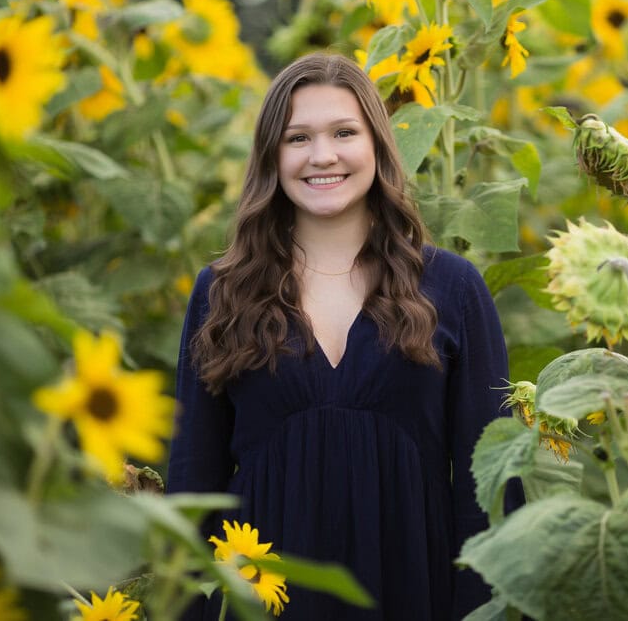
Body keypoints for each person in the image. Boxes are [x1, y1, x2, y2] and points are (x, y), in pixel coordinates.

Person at [167, 52, 519, 621]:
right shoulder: (221, 293)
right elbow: (192, 482)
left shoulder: (452, 288)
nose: (322, 155)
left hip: (414, 592)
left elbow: (492, 486)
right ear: (271, 157)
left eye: (344, 132)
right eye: (297, 138)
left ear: (377, 145)